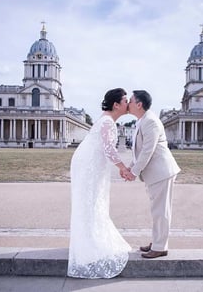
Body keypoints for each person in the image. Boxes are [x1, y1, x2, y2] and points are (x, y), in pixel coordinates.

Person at [68, 88, 132, 278]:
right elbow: (109, 149)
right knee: (92, 201)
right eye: (125, 100)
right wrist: (123, 167)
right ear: (116, 105)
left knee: (91, 201)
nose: (128, 104)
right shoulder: (107, 122)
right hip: (90, 165)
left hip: (89, 162)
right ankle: (90, 243)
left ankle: (87, 239)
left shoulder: (105, 120)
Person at [122, 90, 181, 259]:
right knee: (157, 210)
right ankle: (157, 242)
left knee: (161, 211)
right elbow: (139, 151)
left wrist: (133, 172)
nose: (128, 104)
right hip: (157, 173)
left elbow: (148, 150)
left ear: (139, 104)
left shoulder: (151, 122)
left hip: (161, 172)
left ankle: (160, 246)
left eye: (131, 101)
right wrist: (130, 167)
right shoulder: (143, 120)